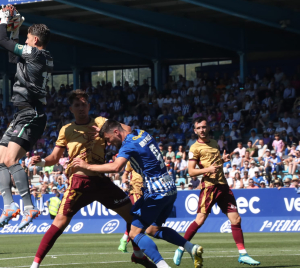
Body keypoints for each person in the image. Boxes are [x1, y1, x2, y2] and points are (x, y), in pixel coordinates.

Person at [29, 90, 151, 268]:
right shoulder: (67, 130)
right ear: (71, 109)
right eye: (77, 105)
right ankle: (35, 265)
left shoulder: (101, 122)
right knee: (59, 223)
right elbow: (54, 158)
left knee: (132, 216)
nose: (81, 108)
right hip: (80, 183)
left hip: (101, 181)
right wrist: (40, 162)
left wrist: (103, 133)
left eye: (83, 104)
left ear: (89, 106)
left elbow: (127, 131)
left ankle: (138, 255)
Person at [73, 119, 204, 268]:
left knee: (134, 233)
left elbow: (116, 168)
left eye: (108, 139)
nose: (109, 143)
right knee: (152, 229)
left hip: (156, 191)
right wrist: (104, 130)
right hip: (169, 188)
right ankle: (190, 248)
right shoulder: (141, 133)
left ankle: (162, 266)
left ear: (116, 132)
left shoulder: (128, 144)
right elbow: (125, 127)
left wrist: (87, 166)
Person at [0, 4, 53, 231]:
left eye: (27, 38)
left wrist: (4, 22)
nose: (25, 41)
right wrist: (16, 31)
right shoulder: (38, 55)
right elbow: (12, 56)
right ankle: (9, 206)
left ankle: (28, 206)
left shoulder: (35, 53)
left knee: (10, 161)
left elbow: (1, 41)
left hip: (32, 113)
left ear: (35, 40)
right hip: (22, 113)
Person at [173, 117, 260, 266]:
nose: (202, 130)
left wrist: (222, 160)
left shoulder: (214, 143)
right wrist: (208, 169)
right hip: (209, 187)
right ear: (195, 131)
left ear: (208, 128)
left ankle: (243, 254)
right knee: (200, 220)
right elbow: (191, 172)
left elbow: (215, 163)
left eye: (204, 127)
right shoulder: (194, 148)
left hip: (223, 186)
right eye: (199, 128)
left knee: (236, 219)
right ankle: (181, 248)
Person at [118, 161, 144, 253]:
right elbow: (125, 174)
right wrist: (124, 179)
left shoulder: (148, 159)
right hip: (134, 192)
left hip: (145, 193)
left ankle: (125, 239)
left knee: (140, 222)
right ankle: (126, 241)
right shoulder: (131, 161)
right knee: (133, 218)